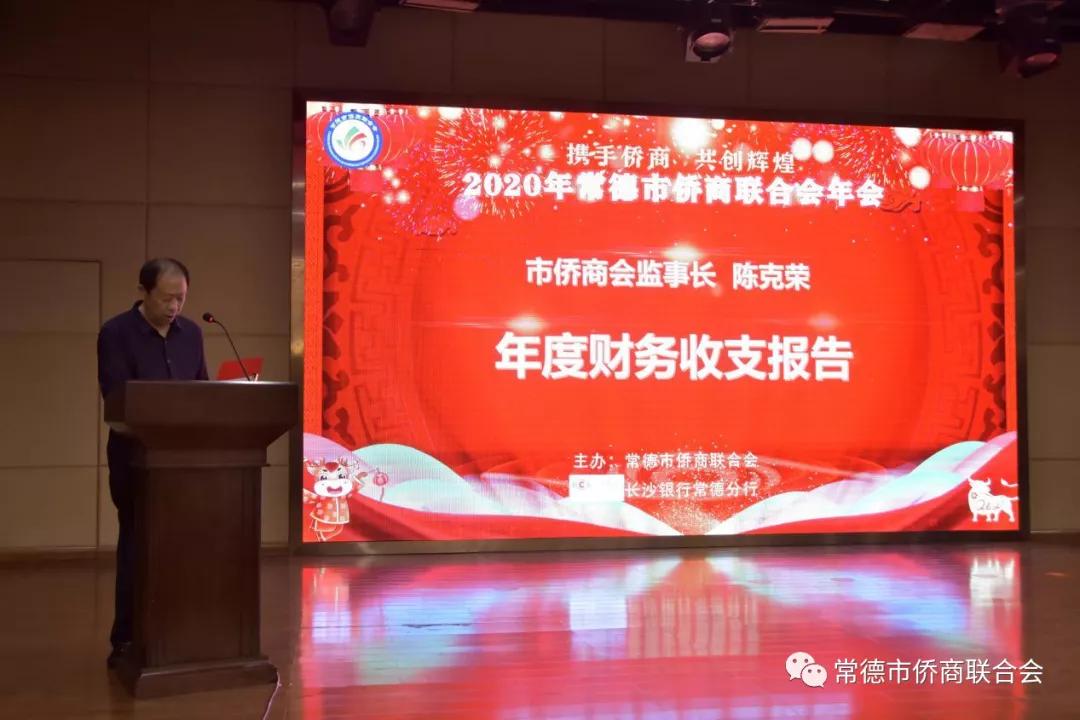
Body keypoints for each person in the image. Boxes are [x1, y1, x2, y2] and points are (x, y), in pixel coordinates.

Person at [96, 258, 209, 669]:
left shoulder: (192, 334)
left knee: (185, 546)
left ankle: (180, 632)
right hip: (135, 459)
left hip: (184, 463)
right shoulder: (116, 333)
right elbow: (117, 398)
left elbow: (203, 391)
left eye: (181, 298)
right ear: (143, 292)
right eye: (166, 298)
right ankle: (127, 638)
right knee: (137, 543)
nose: (174, 306)